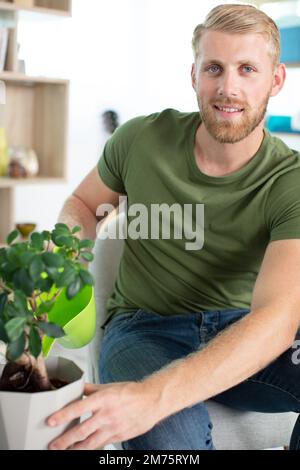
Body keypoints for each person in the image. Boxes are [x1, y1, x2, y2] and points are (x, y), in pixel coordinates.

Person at [47, 4, 300, 450]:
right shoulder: (140, 139)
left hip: (242, 331)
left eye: (247, 69)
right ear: (194, 75)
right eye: (214, 68)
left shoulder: (290, 180)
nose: (228, 88)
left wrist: (152, 396)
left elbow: (277, 321)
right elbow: (85, 203)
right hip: (145, 330)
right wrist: (65, 263)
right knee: (169, 441)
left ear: (276, 79)